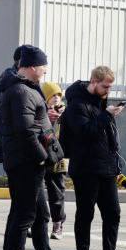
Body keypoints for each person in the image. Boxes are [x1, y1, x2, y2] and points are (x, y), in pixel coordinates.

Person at [0, 45, 72, 250]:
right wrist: (42, 156)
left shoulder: (28, 89)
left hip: (29, 161)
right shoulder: (20, 91)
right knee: (25, 214)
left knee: (39, 215)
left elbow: (33, 123)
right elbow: (26, 131)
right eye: (42, 66)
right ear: (30, 66)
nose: (45, 70)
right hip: (26, 162)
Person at [61, 65, 126, 250]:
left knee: (113, 212)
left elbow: (102, 133)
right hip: (85, 167)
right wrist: (107, 115)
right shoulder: (76, 104)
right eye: (105, 86)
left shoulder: (99, 103)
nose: (108, 90)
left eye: (110, 86)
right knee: (86, 213)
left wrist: (108, 114)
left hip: (106, 166)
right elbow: (84, 132)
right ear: (93, 82)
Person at [41, 82, 69, 239]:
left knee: (57, 191)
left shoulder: (65, 112)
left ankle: (58, 223)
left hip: (59, 158)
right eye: (52, 95)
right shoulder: (40, 111)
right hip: (41, 155)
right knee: (36, 192)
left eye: (58, 95)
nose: (56, 98)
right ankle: (36, 223)